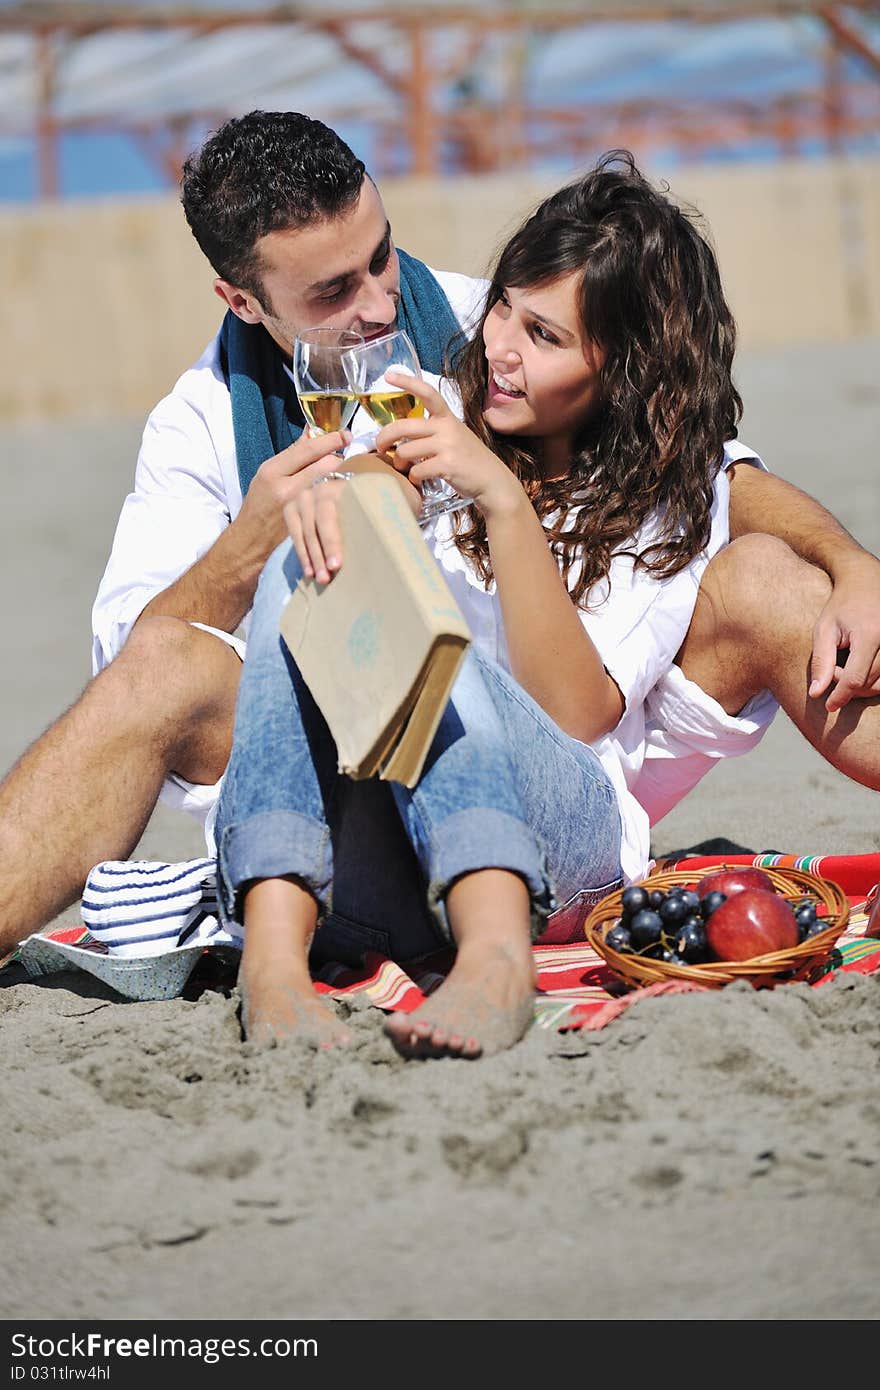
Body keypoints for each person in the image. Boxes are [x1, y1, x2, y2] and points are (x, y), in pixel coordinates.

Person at [0, 112, 877, 960]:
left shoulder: (472, 336)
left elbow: (703, 461)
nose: (382, 304)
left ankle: (415, 928)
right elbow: (133, 660)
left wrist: (849, 562)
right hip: (334, 770)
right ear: (242, 301)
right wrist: (251, 545)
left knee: (760, 573)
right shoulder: (198, 426)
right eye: (333, 291)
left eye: (381, 257)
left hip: (549, 771)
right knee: (221, 629)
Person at [213, 152, 880, 1058]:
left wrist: (503, 502)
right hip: (400, 869)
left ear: (624, 369)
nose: (502, 349)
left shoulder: (668, 504)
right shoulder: (443, 412)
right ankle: (275, 969)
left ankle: (496, 960)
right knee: (318, 558)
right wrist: (360, 498)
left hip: (563, 851)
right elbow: (362, 507)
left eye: (547, 336)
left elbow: (576, 715)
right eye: (504, 309)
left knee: (445, 650)